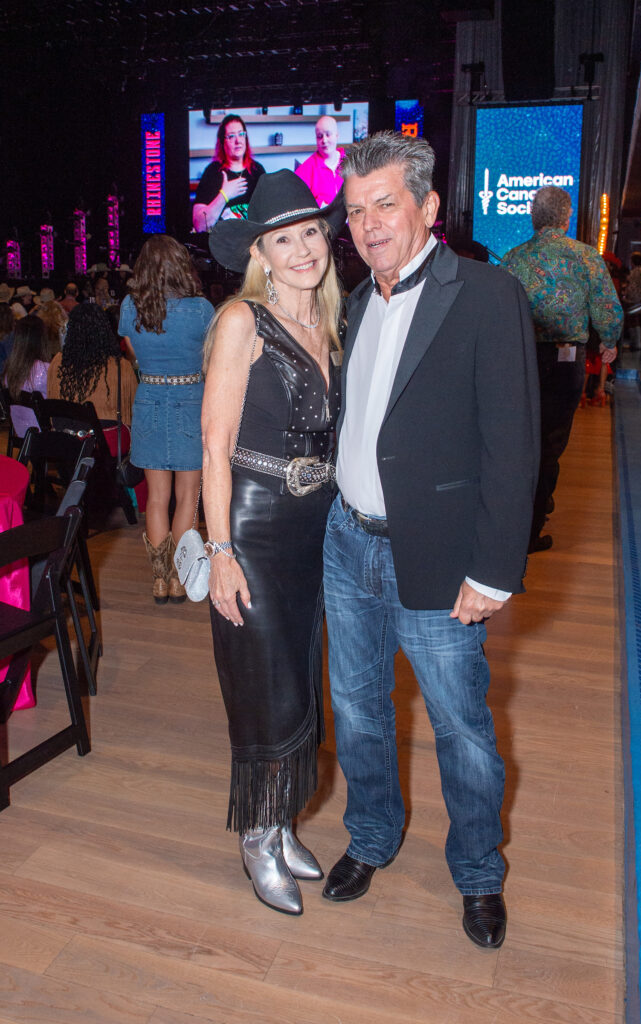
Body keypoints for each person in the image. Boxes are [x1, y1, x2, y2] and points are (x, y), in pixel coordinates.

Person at [322, 132, 539, 950]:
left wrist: (493, 570)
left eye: (384, 204)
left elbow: (513, 446)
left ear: (428, 205)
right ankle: (371, 836)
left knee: (461, 728)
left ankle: (478, 871)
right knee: (357, 710)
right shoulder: (352, 301)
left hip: (442, 556)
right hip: (348, 543)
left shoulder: (486, 294)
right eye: (354, 211)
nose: (367, 224)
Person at [203, 170, 345, 915]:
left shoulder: (331, 322)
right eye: (282, 240)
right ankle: (257, 835)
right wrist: (219, 551)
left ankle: (283, 820)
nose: (302, 250)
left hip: (317, 531)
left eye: (310, 232)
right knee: (264, 685)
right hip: (254, 528)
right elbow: (214, 444)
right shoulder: (241, 320)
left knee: (302, 680)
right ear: (259, 253)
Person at [501, 186, 621, 552]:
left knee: (521, 441)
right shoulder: (585, 257)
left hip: (520, 360)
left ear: (533, 217)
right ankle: (531, 531)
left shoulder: (514, 258)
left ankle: (517, 517)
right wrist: (609, 341)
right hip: (565, 361)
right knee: (550, 443)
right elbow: (607, 307)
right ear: (566, 218)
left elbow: (497, 311)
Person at [119, 235, 214, 604]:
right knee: (188, 496)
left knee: (156, 498)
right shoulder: (202, 309)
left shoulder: (130, 306)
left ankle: (160, 579)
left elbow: (132, 352)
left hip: (150, 401)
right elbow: (211, 358)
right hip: (191, 401)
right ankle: (180, 578)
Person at [47, 302, 136, 425]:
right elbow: (134, 411)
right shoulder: (121, 367)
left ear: (71, 330)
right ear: (105, 331)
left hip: (65, 434)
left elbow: (52, 406)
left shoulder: (57, 363)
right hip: (107, 435)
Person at [192, 114, 266, 232]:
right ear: (222, 142)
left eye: (241, 134)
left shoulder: (257, 170)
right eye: (231, 136)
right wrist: (224, 195)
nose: (238, 141)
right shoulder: (212, 172)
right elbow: (200, 226)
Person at [3, 315, 56, 438]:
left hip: (21, 433)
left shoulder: (9, 371)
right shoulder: (45, 370)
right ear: (42, 340)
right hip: (43, 435)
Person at [295, 115, 345, 207]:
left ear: (337, 135)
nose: (324, 140)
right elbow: (296, 201)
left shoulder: (351, 163)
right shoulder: (305, 169)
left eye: (328, 134)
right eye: (319, 136)